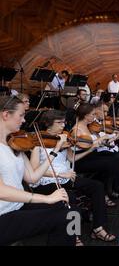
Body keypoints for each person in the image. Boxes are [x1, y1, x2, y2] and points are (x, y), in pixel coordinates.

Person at [30, 110, 116, 242]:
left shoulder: (63, 138)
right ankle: (73, 237)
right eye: (59, 123)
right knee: (70, 198)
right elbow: (34, 169)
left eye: (64, 122)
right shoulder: (38, 142)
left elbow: (71, 158)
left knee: (97, 186)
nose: (63, 126)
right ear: (48, 124)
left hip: (66, 177)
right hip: (46, 181)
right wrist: (60, 173)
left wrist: (92, 148)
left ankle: (98, 228)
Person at [0, 96, 75, 246]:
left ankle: (74, 238)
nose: (24, 121)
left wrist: (55, 150)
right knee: (65, 217)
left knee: (73, 212)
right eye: (21, 115)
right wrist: (46, 198)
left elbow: (32, 177)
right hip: (3, 214)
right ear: (6, 114)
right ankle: (71, 238)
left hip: (17, 206)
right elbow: (2, 191)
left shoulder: (15, 143)